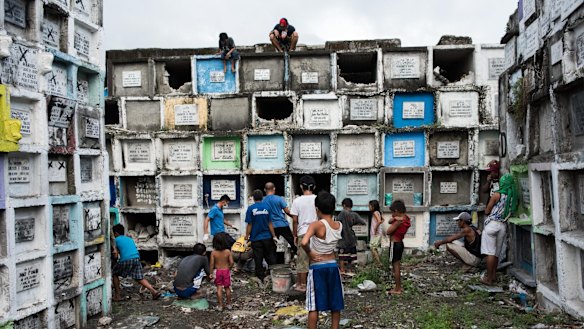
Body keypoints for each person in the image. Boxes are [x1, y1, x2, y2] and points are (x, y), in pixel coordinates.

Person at [301, 191, 343, 329]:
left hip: (317, 267)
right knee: (335, 303)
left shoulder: (316, 225)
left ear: (317, 209)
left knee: (314, 305)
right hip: (332, 266)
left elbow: (304, 242)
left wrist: (310, 253)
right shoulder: (339, 225)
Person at [481, 173, 518, 286]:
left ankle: (488, 278)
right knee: (496, 253)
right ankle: (493, 276)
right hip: (503, 225)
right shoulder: (514, 196)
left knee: (489, 252)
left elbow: (487, 211)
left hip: (492, 224)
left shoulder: (497, 195)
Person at [112, 224, 160, 301]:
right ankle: (154, 291)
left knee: (115, 274)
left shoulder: (116, 240)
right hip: (136, 258)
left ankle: (117, 296)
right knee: (139, 277)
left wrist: (114, 254)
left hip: (127, 259)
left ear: (116, 233)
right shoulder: (129, 239)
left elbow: (115, 254)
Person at [290, 175, 318, 292]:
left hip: (303, 233)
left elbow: (295, 220)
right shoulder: (318, 199)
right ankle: (314, 284)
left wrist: (295, 235)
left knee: (302, 259)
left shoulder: (297, 201)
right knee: (315, 259)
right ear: (314, 187)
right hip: (316, 233)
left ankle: (302, 284)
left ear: (301, 186)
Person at [245, 189, 277, 282]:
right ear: (262, 197)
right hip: (267, 237)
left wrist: (247, 236)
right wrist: (274, 235)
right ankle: (273, 275)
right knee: (270, 256)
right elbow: (270, 223)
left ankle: (260, 277)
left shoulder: (251, 208)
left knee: (258, 258)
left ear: (254, 198)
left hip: (256, 238)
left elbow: (249, 224)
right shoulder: (267, 207)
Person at [263, 182, 297, 259]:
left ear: (265, 190)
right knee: (292, 242)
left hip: (271, 227)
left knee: (271, 247)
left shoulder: (263, 201)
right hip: (282, 224)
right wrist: (295, 218)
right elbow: (287, 211)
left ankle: (273, 264)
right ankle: (296, 255)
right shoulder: (279, 199)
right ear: (274, 188)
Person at [385, 200, 411, 295]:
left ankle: (397, 289)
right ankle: (398, 287)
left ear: (396, 210)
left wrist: (394, 221)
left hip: (394, 244)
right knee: (397, 265)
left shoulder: (399, 221)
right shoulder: (405, 218)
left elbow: (388, 231)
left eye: (393, 212)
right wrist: (393, 218)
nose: (392, 214)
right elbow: (390, 221)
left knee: (395, 267)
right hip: (400, 243)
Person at [336, 198, 366, 274]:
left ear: (344, 205)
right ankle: (349, 271)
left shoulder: (342, 213)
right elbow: (363, 222)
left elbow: (337, 222)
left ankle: (342, 270)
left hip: (343, 237)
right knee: (351, 255)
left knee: (342, 256)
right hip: (352, 238)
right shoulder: (354, 214)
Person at [210, 233, 235, 311]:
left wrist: (211, 273)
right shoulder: (227, 251)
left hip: (217, 271)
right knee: (227, 288)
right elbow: (232, 262)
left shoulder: (213, 253)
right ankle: (229, 304)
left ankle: (220, 305)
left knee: (219, 288)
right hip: (226, 271)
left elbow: (211, 264)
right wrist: (229, 268)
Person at [368, 200, 383, 267]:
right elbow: (382, 220)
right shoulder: (378, 212)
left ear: (373, 206)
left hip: (375, 233)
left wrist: (375, 228)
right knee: (375, 247)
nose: (369, 207)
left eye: (370, 206)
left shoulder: (375, 213)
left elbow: (379, 221)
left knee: (372, 247)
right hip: (377, 233)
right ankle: (377, 262)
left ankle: (379, 263)